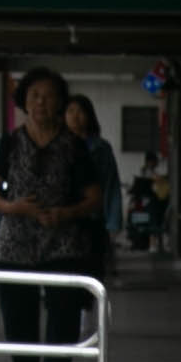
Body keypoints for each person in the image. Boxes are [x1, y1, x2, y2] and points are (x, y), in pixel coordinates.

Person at [0, 66, 106, 362]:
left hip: (63, 244)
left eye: (48, 97)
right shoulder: (11, 143)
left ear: (60, 103)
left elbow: (95, 197)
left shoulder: (74, 147)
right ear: (24, 102)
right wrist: (13, 207)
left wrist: (66, 214)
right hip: (15, 244)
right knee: (18, 320)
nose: (41, 103)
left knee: (62, 321)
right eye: (34, 96)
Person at [61, 91, 113, 281]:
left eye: (81, 111)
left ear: (89, 116)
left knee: (92, 265)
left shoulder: (101, 147)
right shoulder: (58, 145)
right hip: (64, 216)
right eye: (70, 111)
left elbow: (110, 182)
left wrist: (113, 220)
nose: (75, 116)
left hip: (93, 215)